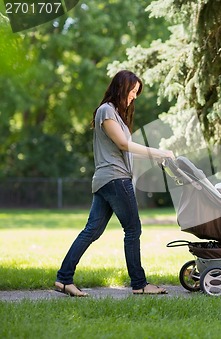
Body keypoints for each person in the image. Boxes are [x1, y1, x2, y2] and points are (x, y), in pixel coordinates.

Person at [55, 70, 174, 297]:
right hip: (115, 179)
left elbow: (127, 150)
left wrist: (156, 157)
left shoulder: (115, 115)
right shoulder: (106, 111)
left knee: (92, 231)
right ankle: (139, 284)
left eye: (136, 93)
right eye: (132, 91)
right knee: (133, 229)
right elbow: (123, 145)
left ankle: (63, 279)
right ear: (121, 87)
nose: (134, 97)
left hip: (106, 180)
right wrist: (159, 151)